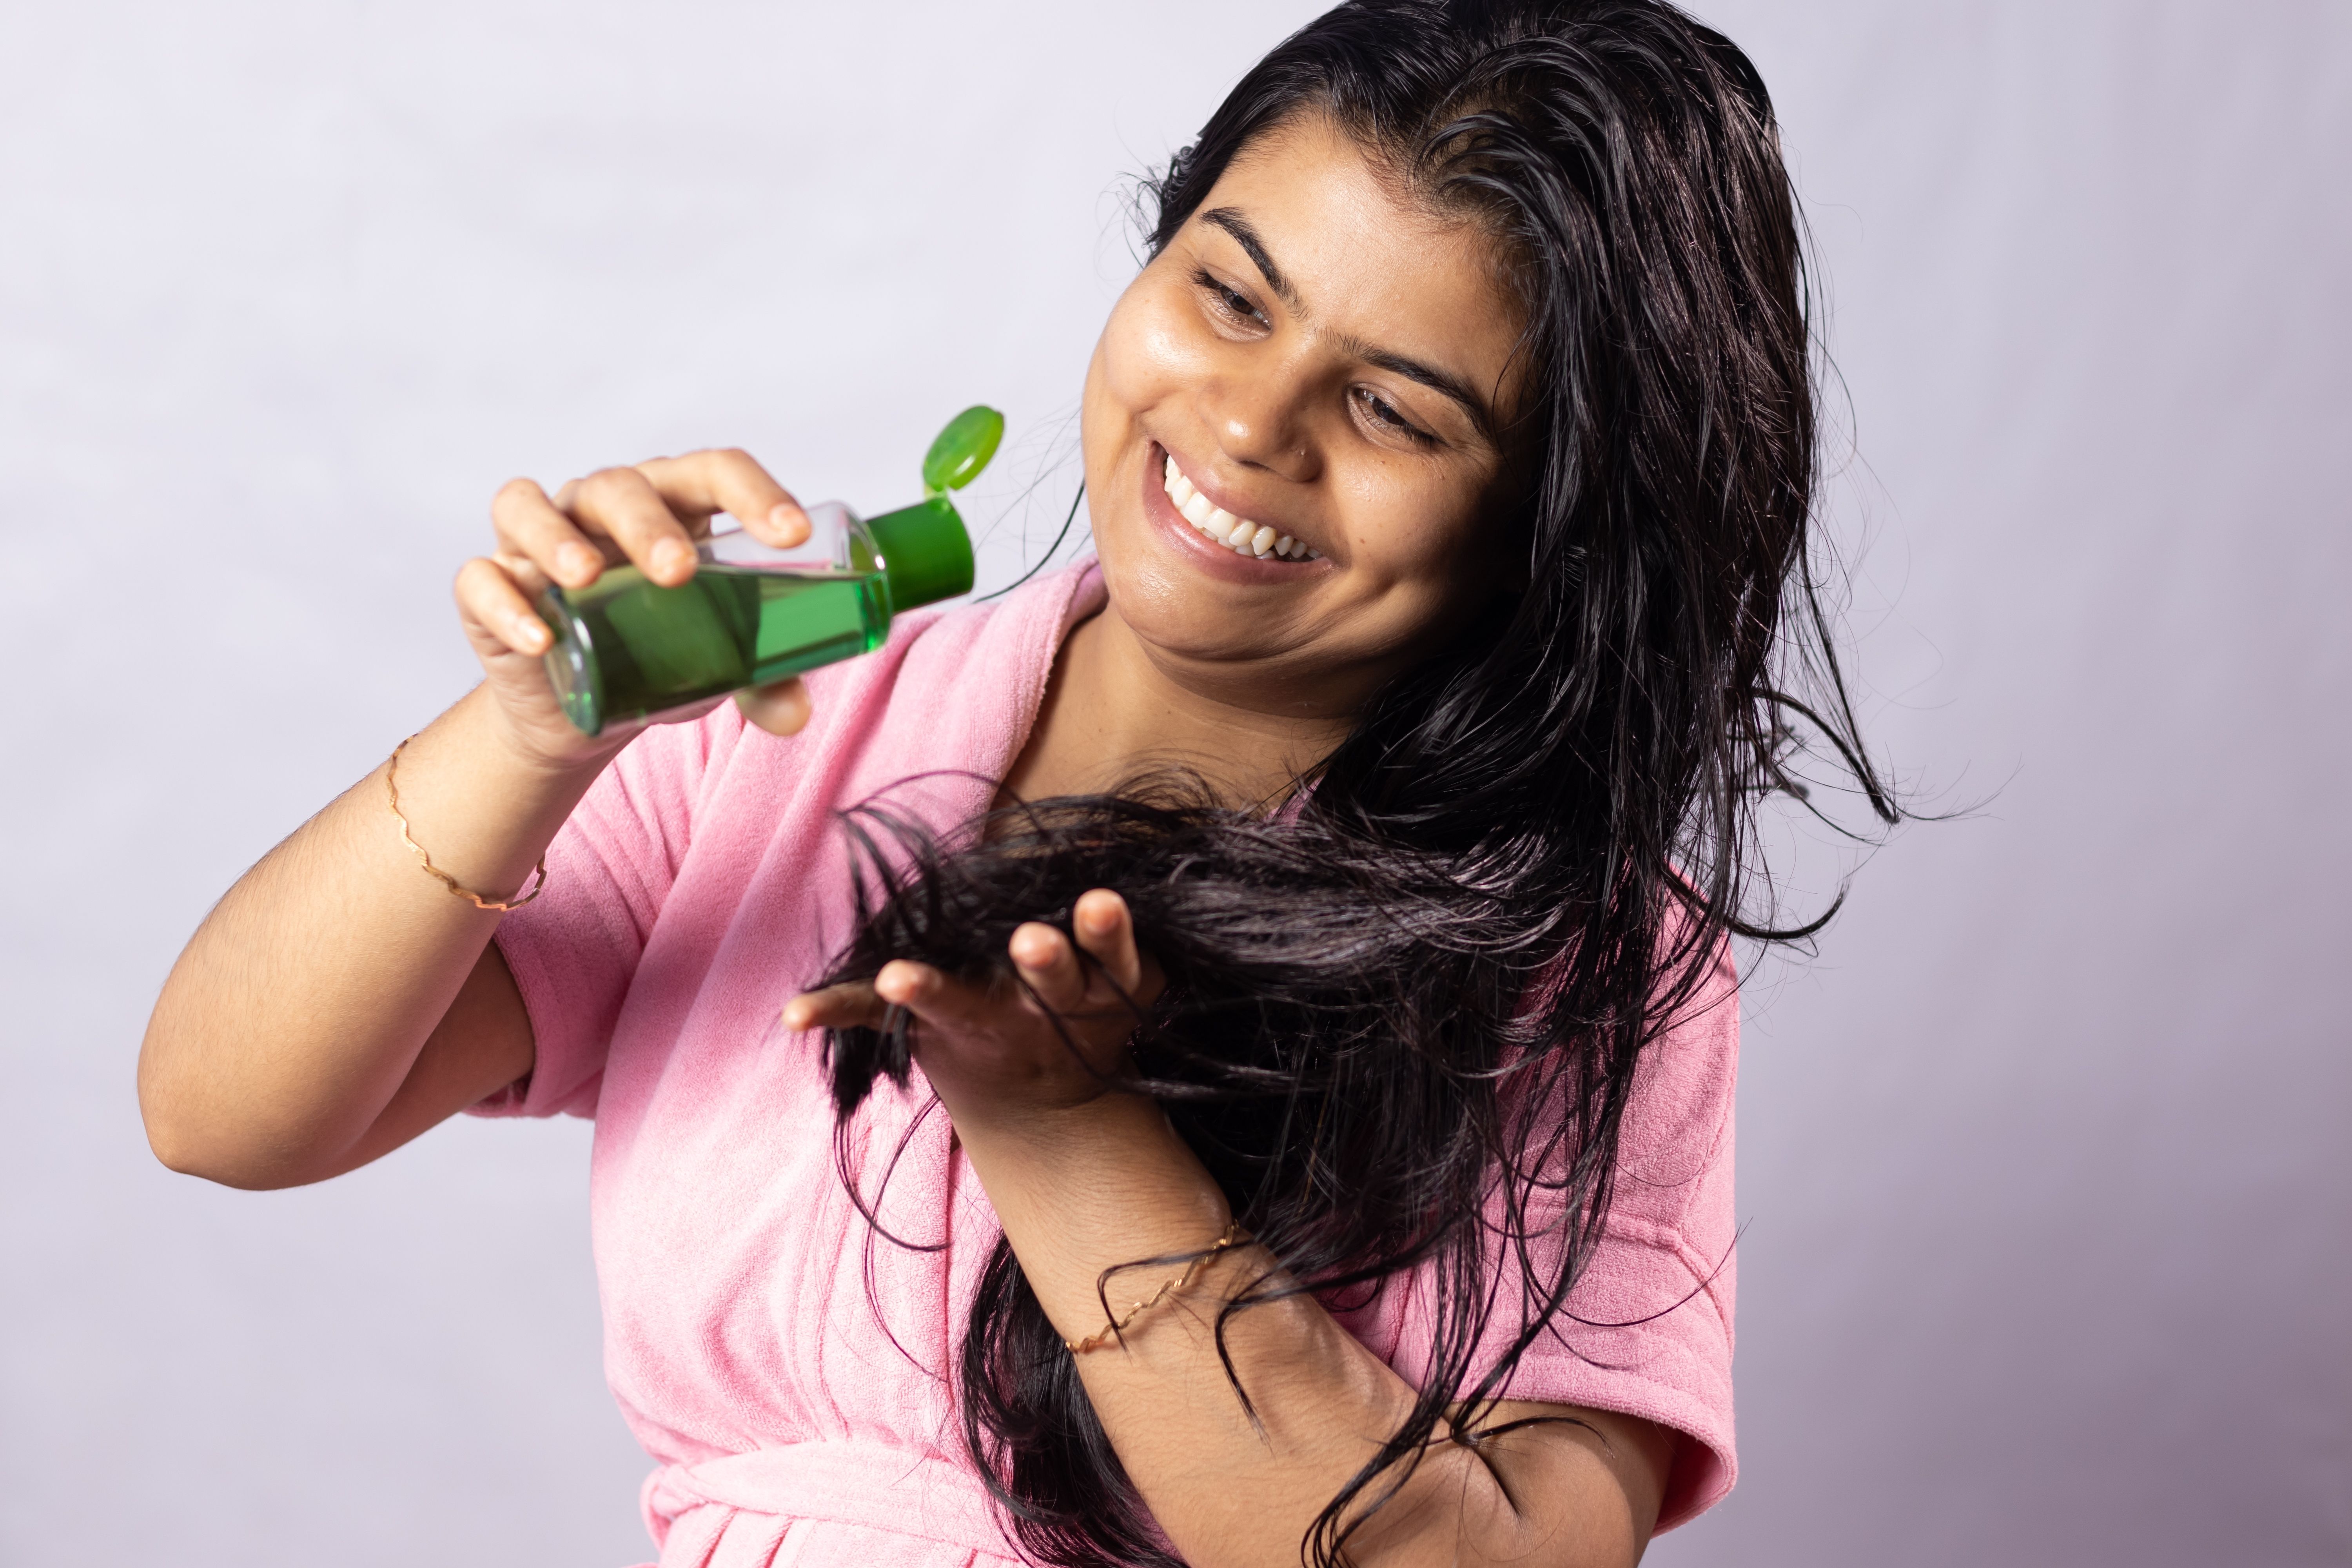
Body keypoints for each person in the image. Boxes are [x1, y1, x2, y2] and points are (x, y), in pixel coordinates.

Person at [140, 2, 1891, 1564]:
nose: (1249, 424)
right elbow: (223, 1113)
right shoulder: (791, 723)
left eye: (1397, 411)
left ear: (1546, 522)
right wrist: (532, 729)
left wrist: (1066, 1133)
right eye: (1227, 292)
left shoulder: (1584, 953)